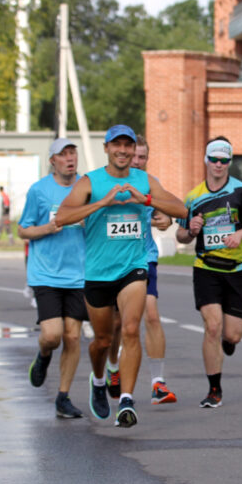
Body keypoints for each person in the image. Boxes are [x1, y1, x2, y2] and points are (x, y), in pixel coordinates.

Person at [55, 124, 186, 427]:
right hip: (99, 273)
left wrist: (148, 200)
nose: (124, 151)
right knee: (102, 340)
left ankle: (126, 400)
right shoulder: (91, 182)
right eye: (118, 145)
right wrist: (102, 202)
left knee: (129, 329)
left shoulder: (145, 180)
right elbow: (62, 216)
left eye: (128, 146)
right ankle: (99, 380)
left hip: (134, 266)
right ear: (107, 148)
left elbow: (179, 208)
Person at [176, 136, 242, 408]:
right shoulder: (193, 197)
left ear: (230, 162)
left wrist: (240, 234)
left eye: (224, 160)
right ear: (206, 159)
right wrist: (191, 229)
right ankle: (214, 389)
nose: (218, 164)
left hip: (238, 270)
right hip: (206, 268)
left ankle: (230, 341)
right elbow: (181, 235)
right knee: (212, 326)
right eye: (214, 159)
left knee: (232, 335)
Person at [105, 134, 178, 405]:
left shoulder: (149, 185)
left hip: (143, 259)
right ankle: (113, 366)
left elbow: (166, 210)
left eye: (143, 157)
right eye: (135, 156)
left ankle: (158, 382)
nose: (138, 161)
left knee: (151, 316)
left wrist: (164, 218)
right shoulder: (107, 183)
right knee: (115, 324)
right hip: (112, 262)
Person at [18, 138, 87, 419]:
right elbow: (24, 230)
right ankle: (43, 356)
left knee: (73, 336)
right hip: (45, 273)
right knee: (52, 336)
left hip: (79, 275)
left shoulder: (87, 187)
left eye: (73, 153)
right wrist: (48, 227)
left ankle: (63, 397)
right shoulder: (39, 191)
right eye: (63, 154)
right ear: (53, 161)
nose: (70, 158)